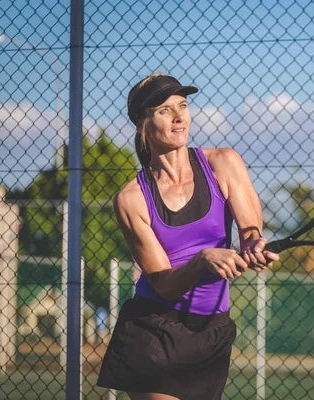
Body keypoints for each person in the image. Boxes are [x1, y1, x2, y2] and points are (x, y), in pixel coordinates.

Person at [97, 73, 279, 400]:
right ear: (142, 124)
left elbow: (250, 229)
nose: (180, 116)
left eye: (182, 105)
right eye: (165, 110)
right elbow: (164, 285)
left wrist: (253, 244)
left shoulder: (224, 162)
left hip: (212, 330)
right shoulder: (132, 199)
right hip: (155, 330)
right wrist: (202, 261)